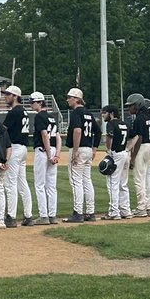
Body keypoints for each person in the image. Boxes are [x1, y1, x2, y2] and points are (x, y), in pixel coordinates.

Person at [0, 85, 34, 227]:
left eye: (8, 94)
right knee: (22, 182)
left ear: (15, 96)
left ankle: (11, 217)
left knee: (10, 183)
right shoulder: (24, 111)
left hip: (14, 148)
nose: (5, 96)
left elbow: (3, 130)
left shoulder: (14, 112)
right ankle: (28, 215)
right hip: (23, 148)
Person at [64, 88, 99, 223]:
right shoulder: (89, 113)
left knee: (76, 181)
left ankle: (78, 213)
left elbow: (77, 131)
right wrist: (94, 148)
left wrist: (75, 150)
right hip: (88, 149)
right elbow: (98, 130)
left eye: (70, 97)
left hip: (79, 148)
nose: (68, 99)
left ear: (77, 99)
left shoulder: (76, 113)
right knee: (87, 180)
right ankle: (90, 212)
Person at [124, 94, 150, 217]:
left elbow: (139, 138)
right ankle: (149, 207)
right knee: (148, 178)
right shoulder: (149, 117)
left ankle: (141, 207)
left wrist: (133, 157)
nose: (129, 108)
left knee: (139, 179)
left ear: (137, 105)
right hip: (149, 147)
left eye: (131, 106)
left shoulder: (139, 118)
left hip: (142, 147)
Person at [29, 91, 59, 225]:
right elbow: (58, 137)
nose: (31, 104)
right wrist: (56, 154)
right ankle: (52, 215)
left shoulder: (39, 117)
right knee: (51, 185)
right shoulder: (52, 117)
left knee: (40, 184)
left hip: (43, 150)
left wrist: (48, 155)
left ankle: (44, 215)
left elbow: (44, 135)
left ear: (40, 102)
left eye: (33, 102)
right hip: (52, 149)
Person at [101, 105, 131, 220]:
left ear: (111, 113)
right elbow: (135, 136)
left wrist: (109, 151)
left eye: (105, 113)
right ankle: (126, 210)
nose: (103, 115)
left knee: (112, 182)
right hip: (124, 153)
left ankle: (114, 211)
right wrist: (128, 148)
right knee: (123, 183)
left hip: (116, 154)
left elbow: (110, 137)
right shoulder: (124, 123)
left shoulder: (111, 124)